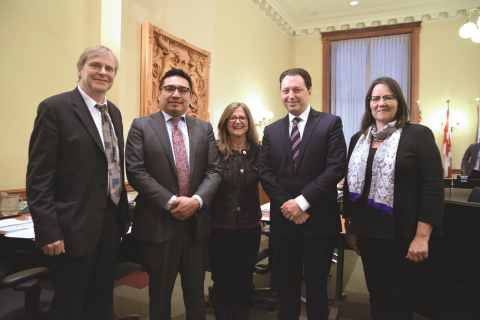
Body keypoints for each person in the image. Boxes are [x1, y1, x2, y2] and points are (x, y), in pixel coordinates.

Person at [26, 45, 129, 320]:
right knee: (68, 304)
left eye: (109, 68)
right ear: (80, 69)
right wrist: (48, 230)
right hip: (72, 226)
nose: (103, 72)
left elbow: (113, 165)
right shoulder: (55, 108)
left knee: (102, 298)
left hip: (110, 221)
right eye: (96, 65)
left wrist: (122, 218)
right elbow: (39, 177)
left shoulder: (114, 113)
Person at [343, 77, 444, 320]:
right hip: (368, 234)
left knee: (400, 302)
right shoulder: (359, 139)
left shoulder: (418, 135)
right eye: (376, 98)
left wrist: (422, 236)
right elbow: (351, 186)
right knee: (376, 296)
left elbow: (433, 187)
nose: (382, 103)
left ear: (399, 101)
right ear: (369, 104)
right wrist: (350, 227)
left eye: (388, 97)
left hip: (405, 235)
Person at [125, 68, 222, 320]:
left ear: (191, 96)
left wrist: (196, 201)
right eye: (169, 88)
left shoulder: (204, 128)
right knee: (159, 294)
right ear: (159, 95)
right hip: (158, 224)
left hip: (195, 226)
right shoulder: (141, 126)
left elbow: (214, 170)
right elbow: (136, 171)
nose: (176, 94)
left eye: (183, 90)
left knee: (195, 294)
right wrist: (171, 202)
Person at [258, 68, 346, 320]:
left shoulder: (330, 123)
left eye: (297, 89)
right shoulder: (271, 131)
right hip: (284, 223)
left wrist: (302, 202)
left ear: (309, 91)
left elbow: (335, 167)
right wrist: (289, 205)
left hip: (318, 221)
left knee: (317, 289)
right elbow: (266, 172)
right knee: (285, 289)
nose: (291, 95)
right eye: (286, 90)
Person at [209, 102, 262, 320]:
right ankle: (222, 311)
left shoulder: (260, 151)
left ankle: (241, 310)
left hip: (250, 225)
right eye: (233, 118)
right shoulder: (214, 150)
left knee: (244, 274)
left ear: (249, 123)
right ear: (225, 122)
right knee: (221, 276)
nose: (238, 121)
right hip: (220, 225)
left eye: (242, 117)